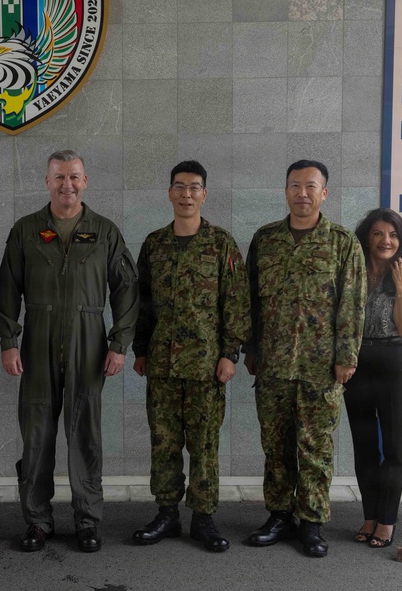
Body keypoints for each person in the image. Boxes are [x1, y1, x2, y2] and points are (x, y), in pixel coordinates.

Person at [0, 149, 139, 554]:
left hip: (88, 343)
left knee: (85, 435)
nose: (67, 185)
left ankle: (87, 520)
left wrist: (119, 344)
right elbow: (6, 289)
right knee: (36, 436)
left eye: (74, 176)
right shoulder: (26, 230)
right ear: (47, 182)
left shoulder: (104, 232)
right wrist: (8, 341)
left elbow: (127, 290)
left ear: (85, 181)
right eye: (59, 177)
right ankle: (37, 521)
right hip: (37, 343)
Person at [242, 160, 366, 558]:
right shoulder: (265, 239)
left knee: (315, 447)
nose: (302, 193)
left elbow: (353, 303)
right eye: (295, 185)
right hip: (273, 365)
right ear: (285, 191)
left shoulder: (342, 242)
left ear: (324, 193)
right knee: (275, 445)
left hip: (321, 367)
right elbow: (250, 299)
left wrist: (347, 357)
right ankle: (279, 516)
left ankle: (311, 523)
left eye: (311, 186)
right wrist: (251, 349)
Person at [131, 161, 250, 553]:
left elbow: (236, 302)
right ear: (169, 193)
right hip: (161, 364)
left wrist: (230, 353)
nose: (186, 194)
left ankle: (203, 517)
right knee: (163, 442)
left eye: (194, 187)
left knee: (203, 445)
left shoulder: (221, 243)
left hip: (205, 365)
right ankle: (167, 513)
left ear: (204, 194)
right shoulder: (154, 244)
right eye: (179, 187)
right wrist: (140, 349)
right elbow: (141, 301)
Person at [345, 209, 402, 549]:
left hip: (393, 363)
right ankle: (369, 516)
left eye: (392, 235)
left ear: (400, 240)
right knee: (364, 447)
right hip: (356, 363)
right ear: (367, 238)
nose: (385, 240)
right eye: (378, 233)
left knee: (393, 447)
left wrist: (401, 287)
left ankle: (387, 520)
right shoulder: (352, 271)